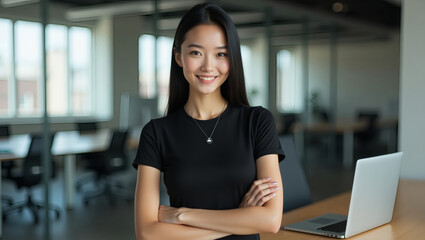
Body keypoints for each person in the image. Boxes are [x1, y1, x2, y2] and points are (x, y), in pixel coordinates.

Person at [133, 3, 285, 240]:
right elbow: (147, 233)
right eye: (196, 52)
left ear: (232, 59)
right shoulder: (156, 133)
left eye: (221, 54)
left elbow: (271, 220)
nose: (208, 66)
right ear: (178, 56)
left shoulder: (257, 121)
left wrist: (183, 215)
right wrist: (240, 218)